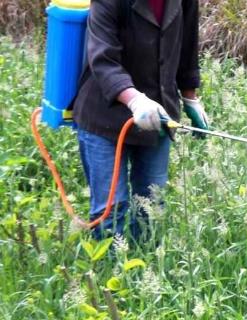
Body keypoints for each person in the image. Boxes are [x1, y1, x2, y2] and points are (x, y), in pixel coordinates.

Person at [71, 0, 209, 241]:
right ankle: (111, 273)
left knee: (151, 206)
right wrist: (135, 101)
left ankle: (144, 269)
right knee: (112, 211)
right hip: (103, 116)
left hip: (158, 114)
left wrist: (190, 99)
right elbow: (103, 61)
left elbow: (187, 47)